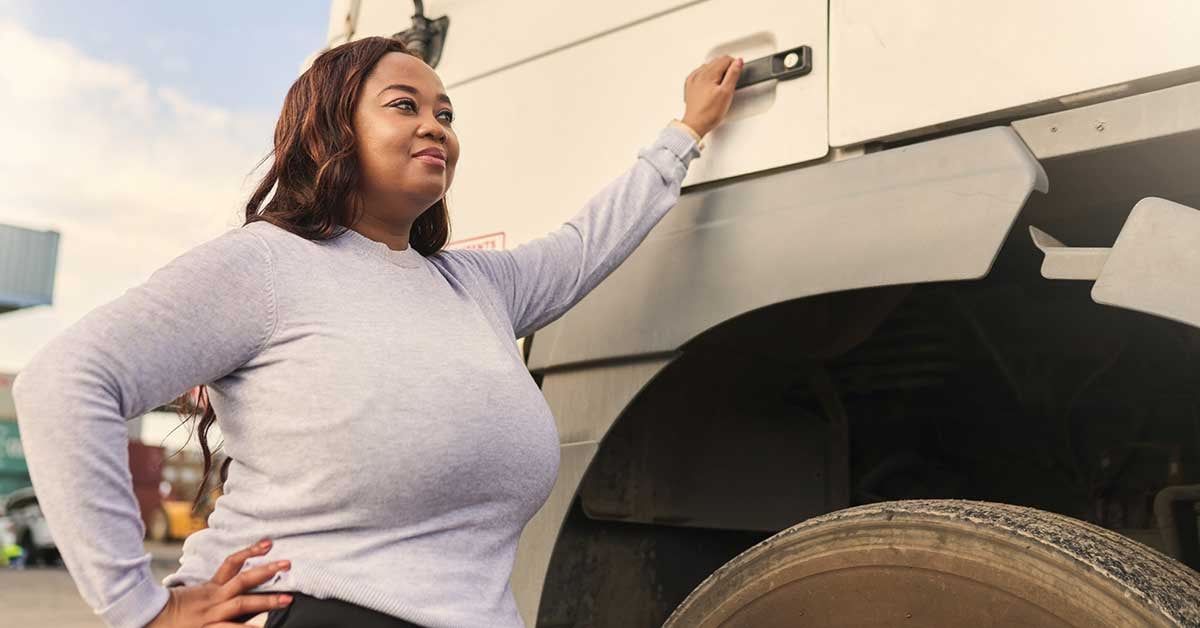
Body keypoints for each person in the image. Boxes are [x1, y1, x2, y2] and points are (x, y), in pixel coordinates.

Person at [12, 36, 742, 628]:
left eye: (447, 114)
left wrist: (686, 131)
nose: (436, 127)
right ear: (334, 129)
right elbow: (66, 381)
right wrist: (138, 609)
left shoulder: (476, 287)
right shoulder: (267, 265)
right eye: (405, 105)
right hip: (313, 610)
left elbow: (588, 243)